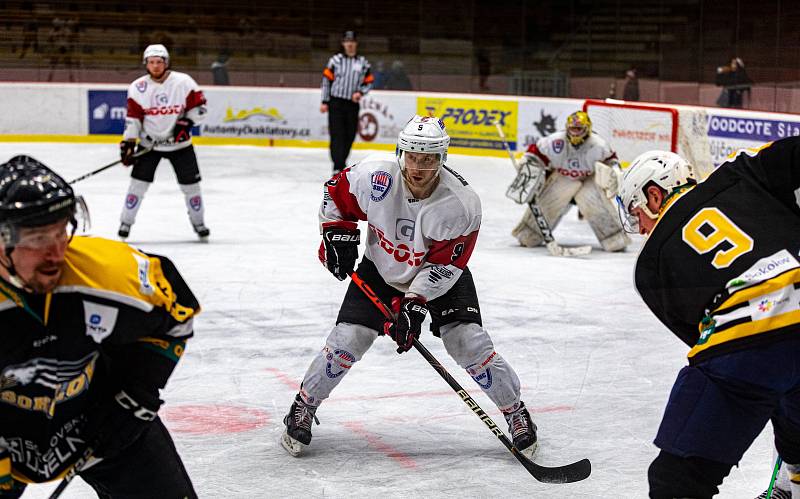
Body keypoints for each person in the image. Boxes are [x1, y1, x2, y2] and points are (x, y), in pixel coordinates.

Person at [280, 115, 539, 462]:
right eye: (412, 156)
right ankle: (303, 406)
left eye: (428, 158)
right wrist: (336, 234)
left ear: (442, 158)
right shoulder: (375, 177)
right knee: (347, 340)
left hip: (440, 275)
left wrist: (415, 303)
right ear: (400, 152)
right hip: (380, 270)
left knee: (468, 343)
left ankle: (515, 411)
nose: (418, 166)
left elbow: (446, 265)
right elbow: (334, 195)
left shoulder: (460, 204)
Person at [0, 155, 199, 497]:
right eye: (36, 238)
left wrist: (135, 397)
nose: (55, 253)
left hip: (100, 418)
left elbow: (176, 311)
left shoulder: (106, 273)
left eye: (61, 231)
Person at [617, 140, 800, 498]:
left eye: (637, 211)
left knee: (677, 482)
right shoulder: (740, 173)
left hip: (749, 336)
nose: (640, 228)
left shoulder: (649, 266)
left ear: (654, 196)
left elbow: (704, 337)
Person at [118, 44, 210, 241]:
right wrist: (128, 144)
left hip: (181, 146)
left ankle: (199, 223)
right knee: (137, 186)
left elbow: (200, 107)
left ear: (166, 63)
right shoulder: (137, 87)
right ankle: (125, 223)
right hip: (150, 145)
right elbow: (133, 119)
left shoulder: (183, 82)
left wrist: (187, 122)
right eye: (151, 62)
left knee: (191, 186)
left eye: (159, 62)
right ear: (146, 64)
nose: (156, 66)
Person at [510, 110, 629, 252]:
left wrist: (614, 172)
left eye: (579, 129)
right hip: (562, 178)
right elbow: (536, 152)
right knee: (547, 205)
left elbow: (611, 160)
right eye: (572, 129)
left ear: (587, 129)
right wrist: (527, 163)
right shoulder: (555, 141)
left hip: (587, 180)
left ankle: (614, 238)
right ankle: (529, 234)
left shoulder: (598, 144)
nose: (575, 133)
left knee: (597, 206)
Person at [320, 30, 374, 174]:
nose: (350, 44)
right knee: (337, 134)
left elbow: (369, 82)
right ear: (343, 44)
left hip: (352, 103)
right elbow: (326, 81)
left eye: (352, 41)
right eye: (347, 41)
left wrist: (360, 92)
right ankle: (337, 166)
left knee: (349, 135)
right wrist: (324, 101)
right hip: (336, 102)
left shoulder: (363, 63)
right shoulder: (335, 60)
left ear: (356, 44)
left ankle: (342, 162)